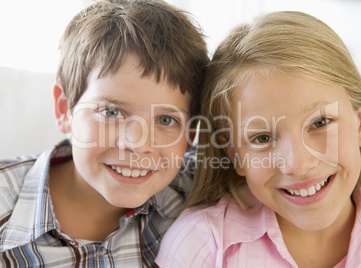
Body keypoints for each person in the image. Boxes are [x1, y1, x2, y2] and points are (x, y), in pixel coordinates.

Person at [155, 11, 361, 267]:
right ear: (233, 154)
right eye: (262, 138)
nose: (298, 164)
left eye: (320, 123)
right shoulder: (202, 245)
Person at [0, 0, 208, 267]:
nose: (137, 143)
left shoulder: (200, 197)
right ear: (65, 109)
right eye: (111, 112)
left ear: (191, 134)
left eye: (166, 119)